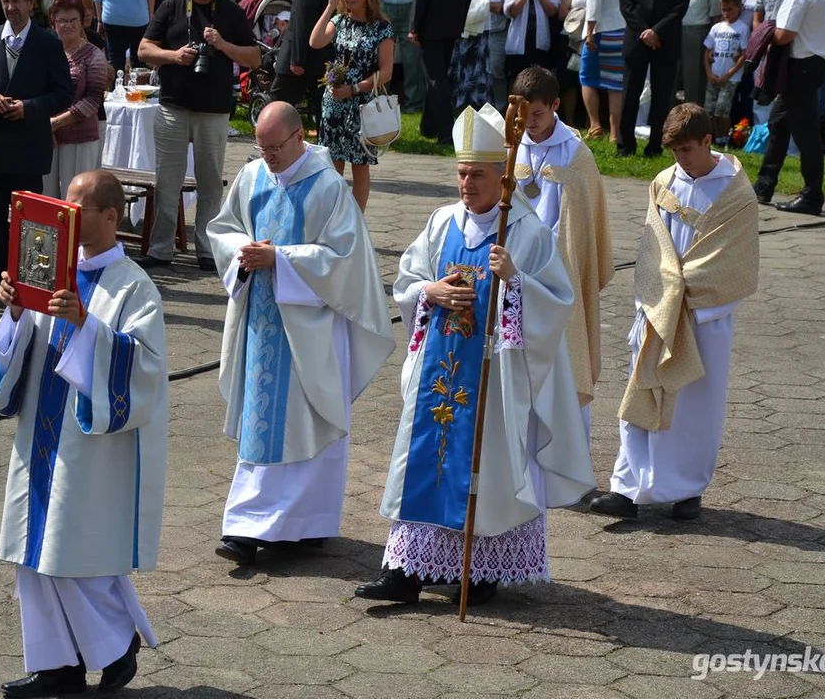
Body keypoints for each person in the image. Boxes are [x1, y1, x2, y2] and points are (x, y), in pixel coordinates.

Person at [354, 103, 595, 607]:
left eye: (477, 175)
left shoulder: (524, 232)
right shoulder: (442, 222)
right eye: (462, 174)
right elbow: (408, 280)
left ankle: (480, 568)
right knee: (422, 461)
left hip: (496, 376)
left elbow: (558, 302)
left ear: (501, 178)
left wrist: (514, 280)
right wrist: (431, 292)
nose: (467, 184)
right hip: (440, 367)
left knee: (488, 467)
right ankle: (404, 572)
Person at [0, 170, 169, 698]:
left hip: (91, 444)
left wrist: (88, 324)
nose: (64, 217)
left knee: (70, 553)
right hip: (39, 429)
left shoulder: (135, 286)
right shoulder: (44, 266)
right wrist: (15, 308)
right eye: (64, 205)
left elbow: (145, 369)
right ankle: (56, 666)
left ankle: (116, 644)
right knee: (31, 554)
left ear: (111, 216)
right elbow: (22, 346)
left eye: (77, 209)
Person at [206, 101, 395, 566]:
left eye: (274, 148)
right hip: (261, 322)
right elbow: (222, 229)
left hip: (310, 331)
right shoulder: (252, 177)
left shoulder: (327, 185)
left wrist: (282, 259)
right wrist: (241, 250)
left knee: (303, 423)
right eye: (261, 148)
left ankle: (303, 527)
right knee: (261, 423)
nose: (267, 157)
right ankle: (249, 525)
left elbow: (346, 260)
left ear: (299, 137)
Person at [590, 103, 758, 522]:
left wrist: (688, 293)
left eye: (687, 150)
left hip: (704, 315)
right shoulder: (664, 181)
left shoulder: (736, 191)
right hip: (659, 307)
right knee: (643, 388)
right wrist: (660, 295)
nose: (680, 160)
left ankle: (686, 489)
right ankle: (626, 488)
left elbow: (734, 260)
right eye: (674, 152)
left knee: (694, 405)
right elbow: (653, 248)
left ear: (707, 141)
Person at [512, 67, 613, 443]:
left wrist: (549, 259)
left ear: (555, 105)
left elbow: (583, 223)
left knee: (565, 360)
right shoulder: (513, 142)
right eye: (522, 115)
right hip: (515, 268)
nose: (529, 124)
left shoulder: (575, 154)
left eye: (536, 115)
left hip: (559, 270)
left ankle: (570, 454)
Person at [137, 0, 259, 271]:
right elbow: (143, 49)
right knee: (167, 182)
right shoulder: (171, 6)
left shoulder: (230, 11)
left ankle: (207, 250)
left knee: (210, 184)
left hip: (213, 111)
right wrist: (173, 57)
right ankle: (161, 249)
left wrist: (222, 45)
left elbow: (254, 57)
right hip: (173, 107)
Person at [0, 0, 73, 283]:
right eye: (5, 1)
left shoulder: (48, 43)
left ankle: (28, 278)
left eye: (17, 1)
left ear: (31, 3)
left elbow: (63, 94)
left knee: (27, 218)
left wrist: (28, 107)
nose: (11, 7)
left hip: (28, 146)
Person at [751, 0, 825, 215]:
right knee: (778, 122)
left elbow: (784, 35)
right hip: (819, 65)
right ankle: (763, 186)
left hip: (799, 67)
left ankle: (812, 196)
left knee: (806, 134)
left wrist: (764, 32)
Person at [309, 0, 394, 212]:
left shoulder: (381, 27)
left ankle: (356, 220)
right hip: (335, 102)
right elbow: (315, 41)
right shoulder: (339, 22)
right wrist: (330, 6)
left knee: (360, 164)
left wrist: (355, 88)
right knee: (332, 162)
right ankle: (332, 217)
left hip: (361, 104)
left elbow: (386, 71)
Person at [616, 0, 695, 157]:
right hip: (637, 39)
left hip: (666, 40)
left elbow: (680, 6)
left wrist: (657, 31)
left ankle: (655, 146)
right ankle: (625, 145)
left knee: (662, 96)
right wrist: (644, 31)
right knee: (630, 94)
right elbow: (626, 3)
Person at [42, 0, 107, 198]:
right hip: (45, 136)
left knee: (77, 200)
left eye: (73, 20)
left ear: (82, 23)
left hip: (81, 138)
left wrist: (56, 122)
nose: (67, 25)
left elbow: (94, 99)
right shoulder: (44, 52)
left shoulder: (94, 55)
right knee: (46, 198)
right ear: (53, 22)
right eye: (62, 20)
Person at [270, 0, 339, 131]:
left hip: (304, 54)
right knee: (324, 111)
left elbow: (304, 14)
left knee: (278, 106)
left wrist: (297, 57)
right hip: (327, 51)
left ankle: (271, 148)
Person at [411, 0, 473, 147]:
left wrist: (414, 26)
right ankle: (429, 127)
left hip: (430, 26)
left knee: (435, 79)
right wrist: (460, 23)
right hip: (452, 24)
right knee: (436, 77)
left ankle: (447, 132)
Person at [581, 0, 625, 141]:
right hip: (621, 29)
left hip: (600, 30)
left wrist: (589, 32)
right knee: (615, 84)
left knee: (586, 79)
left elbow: (594, 2)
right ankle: (614, 132)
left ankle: (594, 124)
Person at [704, 0, 749, 143]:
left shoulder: (742, 28)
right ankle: (716, 137)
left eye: (730, 9)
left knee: (722, 110)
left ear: (739, 8)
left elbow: (744, 55)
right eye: (724, 9)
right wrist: (709, 73)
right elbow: (706, 52)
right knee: (710, 110)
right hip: (714, 76)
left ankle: (727, 138)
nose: (726, 13)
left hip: (730, 78)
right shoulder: (716, 28)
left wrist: (728, 75)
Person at [378, 0, 424, 112]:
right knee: (382, 57)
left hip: (411, 6)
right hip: (384, 7)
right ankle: (380, 102)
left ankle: (414, 105)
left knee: (412, 60)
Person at [503, 0, 560, 84]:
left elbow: (552, 11)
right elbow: (512, 12)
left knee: (538, 83)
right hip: (518, 46)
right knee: (515, 82)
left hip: (539, 45)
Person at [91, 0, 154, 72]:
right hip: (138, 16)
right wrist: (151, 15)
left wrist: (99, 19)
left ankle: (115, 86)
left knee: (115, 63)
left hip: (111, 15)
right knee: (139, 63)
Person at [678, 0, 720, 108]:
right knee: (670, 81)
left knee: (694, 82)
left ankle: (694, 121)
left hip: (698, 32)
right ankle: (670, 122)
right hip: (673, 31)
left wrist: (713, 44)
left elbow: (716, 16)